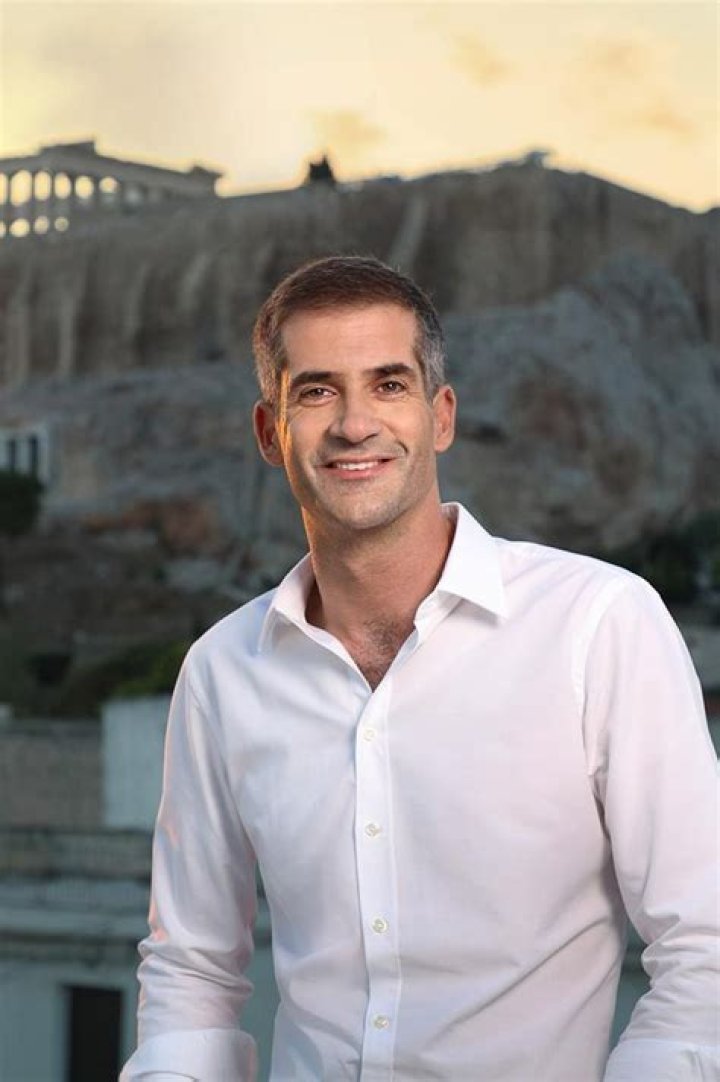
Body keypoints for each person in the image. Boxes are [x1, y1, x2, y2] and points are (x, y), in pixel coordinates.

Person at [121, 255, 719, 1082]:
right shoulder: (222, 671)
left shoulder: (598, 624)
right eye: (316, 391)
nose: (354, 424)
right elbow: (191, 969)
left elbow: (705, 944)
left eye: (389, 385)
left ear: (441, 417)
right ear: (269, 432)